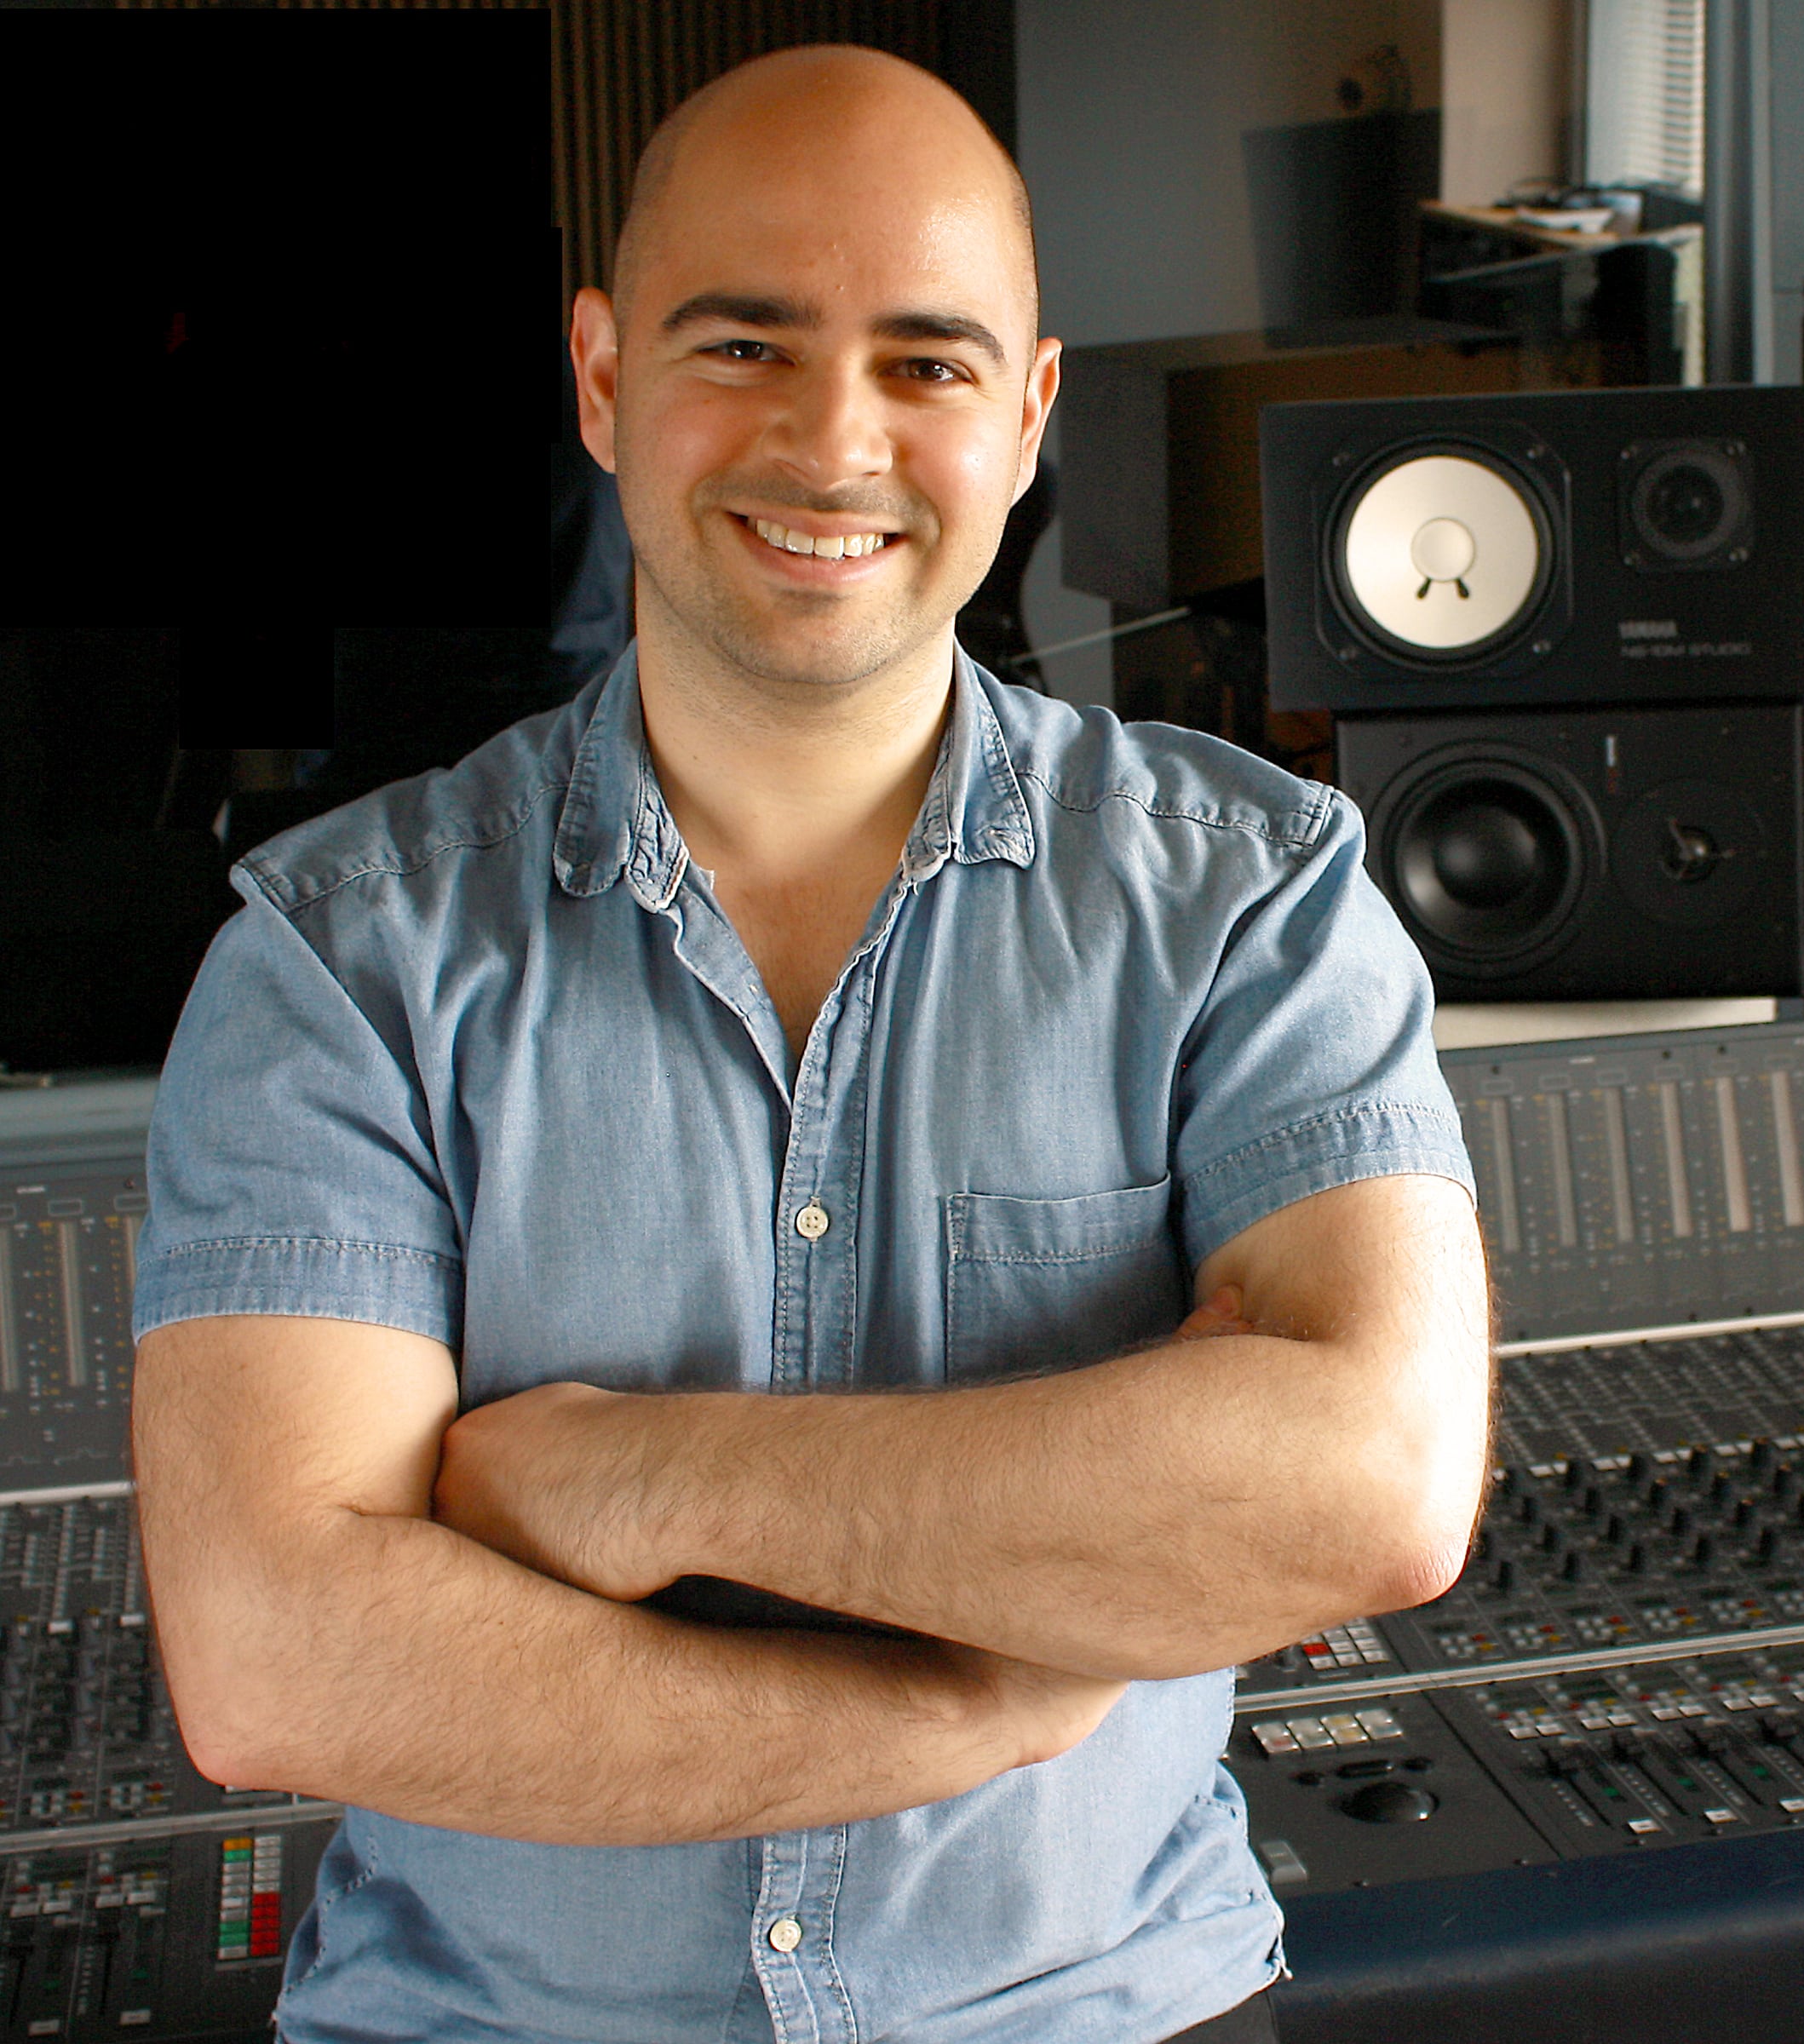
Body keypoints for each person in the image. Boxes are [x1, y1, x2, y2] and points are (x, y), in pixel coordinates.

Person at [129, 44, 1491, 2044]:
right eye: (743, 345)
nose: (832, 443)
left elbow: (1368, 1487)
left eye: (927, 364)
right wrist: (965, 1708)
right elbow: (282, 1664)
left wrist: (640, 1479)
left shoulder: (1251, 899)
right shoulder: (339, 963)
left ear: (1028, 416)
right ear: (599, 379)